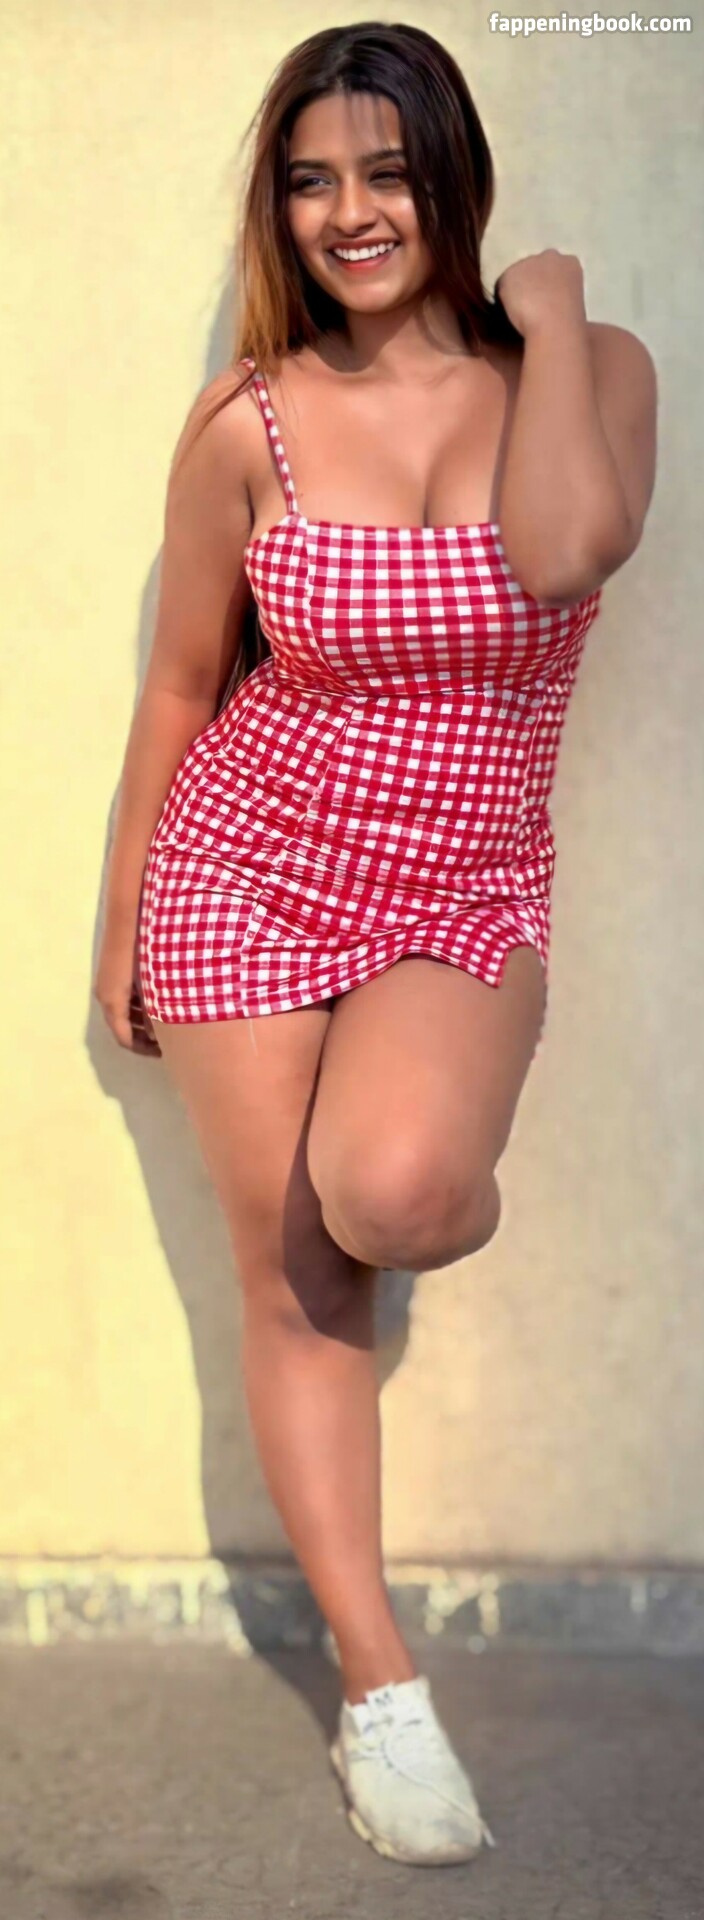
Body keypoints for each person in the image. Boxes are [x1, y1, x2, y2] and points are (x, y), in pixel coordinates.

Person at [94, 21, 657, 1870]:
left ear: (451, 180)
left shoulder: (594, 372)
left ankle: (405, 1207)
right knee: (296, 1292)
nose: (350, 212)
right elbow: (182, 681)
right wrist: (125, 917)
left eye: (388, 172)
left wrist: (548, 315)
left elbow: (567, 552)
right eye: (312, 179)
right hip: (243, 868)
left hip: (460, 881)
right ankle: (381, 1691)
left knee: (397, 1196)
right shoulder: (246, 425)